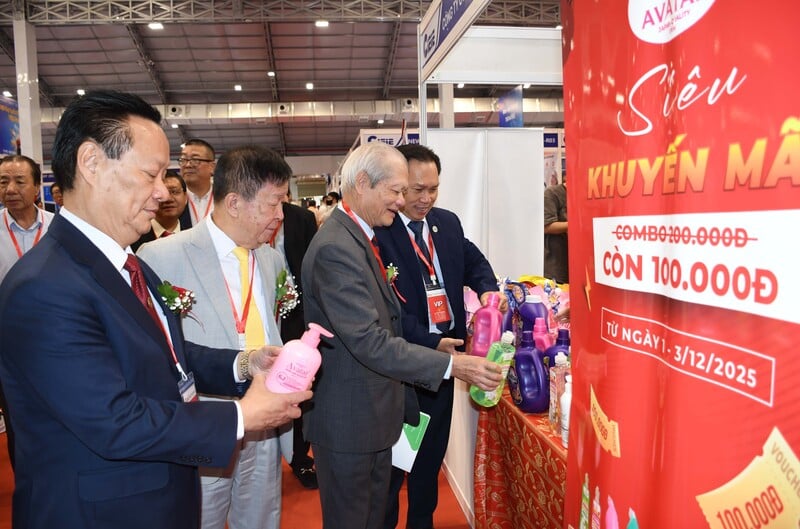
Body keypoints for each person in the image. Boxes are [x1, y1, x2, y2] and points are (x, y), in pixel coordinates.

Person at [0, 90, 311, 529]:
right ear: (91, 163)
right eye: (151, 174)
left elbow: (166, 355)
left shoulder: (126, 263)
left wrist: (244, 363)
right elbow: (113, 421)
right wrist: (242, 415)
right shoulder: (45, 287)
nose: (163, 192)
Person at [301, 140, 504, 529]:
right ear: (364, 183)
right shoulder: (338, 247)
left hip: (381, 405)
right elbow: (370, 339)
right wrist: (452, 365)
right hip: (353, 418)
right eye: (399, 190)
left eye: (429, 189)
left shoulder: (362, 235)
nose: (404, 200)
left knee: (380, 509)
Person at [138, 144, 294, 529]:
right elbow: (156, 354)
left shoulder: (271, 258)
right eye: (273, 203)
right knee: (199, 518)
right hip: (203, 419)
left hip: (264, 420)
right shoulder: (160, 256)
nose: (280, 214)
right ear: (235, 203)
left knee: (261, 519)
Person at [374, 143, 506, 529]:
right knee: (393, 467)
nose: (426, 198)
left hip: (447, 362)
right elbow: (386, 311)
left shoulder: (446, 223)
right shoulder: (381, 231)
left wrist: (487, 289)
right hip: (403, 365)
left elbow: (473, 260)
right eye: (417, 189)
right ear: (399, 185)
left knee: (429, 462)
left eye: (433, 189)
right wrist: (430, 344)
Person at [271, 194, 319, 488]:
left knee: (297, 383)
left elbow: (312, 267)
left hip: (295, 316)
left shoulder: (301, 218)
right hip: (254, 313)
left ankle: (300, 457)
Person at [0, 155, 56, 284]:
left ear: (36, 187)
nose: (10, 190)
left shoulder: (56, 225)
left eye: (20, 182)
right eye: (3, 182)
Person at [131, 171, 191, 252]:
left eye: (174, 191)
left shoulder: (193, 236)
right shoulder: (135, 237)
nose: (169, 199)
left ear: (186, 197)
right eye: (161, 193)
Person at [179, 138, 216, 226]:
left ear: (212, 167)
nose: (188, 165)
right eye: (183, 160)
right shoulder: (174, 199)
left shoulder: (224, 197)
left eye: (195, 160)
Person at [543, 175, 568, 283]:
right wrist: (577, 225)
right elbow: (547, 226)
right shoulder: (552, 193)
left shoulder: (585, 195)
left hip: (581, 265)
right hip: (556, 266)